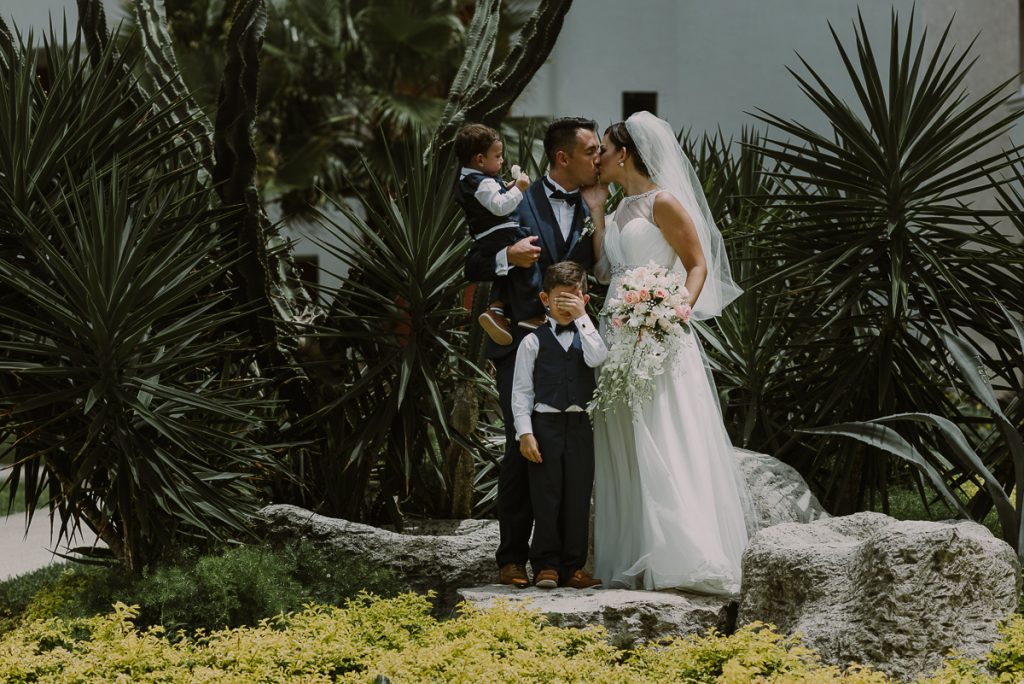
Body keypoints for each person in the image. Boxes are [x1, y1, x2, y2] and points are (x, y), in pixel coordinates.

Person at [586, 111, 753, 595]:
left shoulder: (664, 202)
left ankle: (682, 552)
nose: (597, 157)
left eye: (604, 150)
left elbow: (698, 265)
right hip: (617, 331)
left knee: (662, 431)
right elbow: (604, 272)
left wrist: (671, 313)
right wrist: (598, 215)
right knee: (623, 438)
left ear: (625, 153)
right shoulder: (618, 210)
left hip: (657, 333)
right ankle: (632, 554)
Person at [465, 117, 602, 588]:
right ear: (563, 157)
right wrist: (510, 258)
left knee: (568, 457)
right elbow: (474, 260)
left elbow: (598, 268)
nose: (598, 159)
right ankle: (511, 557)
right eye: (590, 151)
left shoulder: (595, 204)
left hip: (572, 349)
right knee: (521, 447)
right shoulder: (513, 197)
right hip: (520, 344)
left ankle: (562, 561)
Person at [511, 261, 607, 589]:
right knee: (546, 496)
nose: (565, 305)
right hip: (545, 426)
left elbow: (598, 358)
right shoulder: (532, 342)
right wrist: (525, 433)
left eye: (573, 298)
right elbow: (521, 391)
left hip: (580, 425)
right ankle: (545, 565)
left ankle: (573, 567)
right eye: (559, 299)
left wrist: (582, 318)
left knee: (578, 497)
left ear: (585, 299)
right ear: (544, 299)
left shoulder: (590, 337)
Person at [454, 123, 545, 345]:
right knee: (528, 265)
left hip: (487, 237)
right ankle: (533, 313)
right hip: (500, 233)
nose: (502, 160)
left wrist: (509, 187)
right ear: (480, 160)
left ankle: (496, 309)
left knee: (510, 270)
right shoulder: (483, 182)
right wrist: (519, 188)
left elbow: (493, 199)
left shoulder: (470, 180)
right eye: (498, 155)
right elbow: (500, 207)